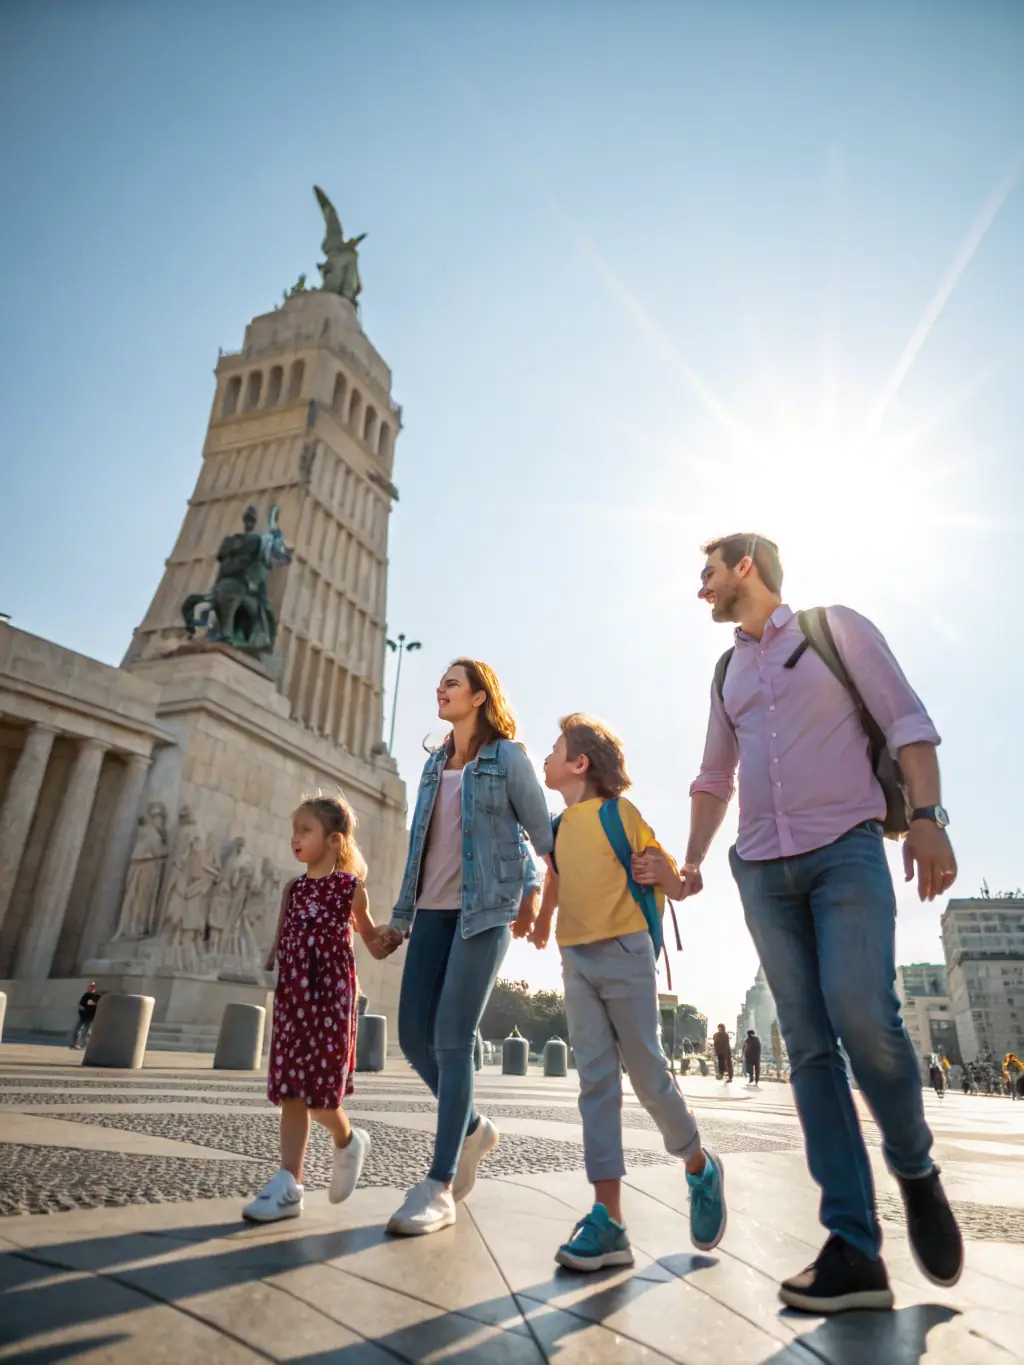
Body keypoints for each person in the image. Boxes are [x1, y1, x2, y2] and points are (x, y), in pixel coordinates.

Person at [674, 531, 963, 1313]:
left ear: (745, 566)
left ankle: (915, 1167)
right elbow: (714, 774)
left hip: (847, 852)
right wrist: (694, 860)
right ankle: (854, 1245)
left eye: (707, 572)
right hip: (763, 870)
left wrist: (930, 815)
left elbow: (907, 721)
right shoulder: (725, 669)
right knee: (806, 1047)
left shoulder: (834, 629)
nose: (699, 587)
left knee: (865, 1015)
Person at [528, 714, 726, 1271]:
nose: (547, 758)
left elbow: (678, 883)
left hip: (625, 952)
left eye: (554, 749)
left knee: (647, 1076)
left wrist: (669, 874)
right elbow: (556, 877)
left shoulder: (620, 814)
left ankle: (698, 1165)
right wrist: (544, 923)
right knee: (595, 1083)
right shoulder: (558, 827)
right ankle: (609, 1221)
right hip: (576, 959)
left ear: (579, 763)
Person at [386, 659, 553, 1236]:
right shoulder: (435, 765)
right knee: (412, 1035)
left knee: (452, 1038)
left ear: (480, 697)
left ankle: (439, 1182)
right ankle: (476, 1126)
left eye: (452, 683)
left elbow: (541, 830)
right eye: (441, 683)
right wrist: (400, 918)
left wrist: (537, 893)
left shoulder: (507, 757)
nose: (441, 689)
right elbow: (421, 847)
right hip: (430, 911)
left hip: (484, 911)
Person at [242, 795, 399, 1222]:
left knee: (321, 1096)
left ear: (333, 840)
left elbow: (369, 941)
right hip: (295, 998)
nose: (295, 838)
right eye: (294, 831)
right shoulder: (293, 889)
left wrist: (388, 937)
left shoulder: (350, 889)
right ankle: (289, 1183)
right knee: (293, 1090)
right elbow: (282, 939)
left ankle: (348, 1140)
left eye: (305, 830)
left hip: (331, 998)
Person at [71, 983, 101, 1049]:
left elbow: (95, 1005)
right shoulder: (86, 995)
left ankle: (84, 1044)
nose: (91, 988)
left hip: (90, 1016)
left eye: (92, 987)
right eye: (90, 987)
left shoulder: (98, 996)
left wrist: (91, 1004)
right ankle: (74, 1044)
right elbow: (81, 1004)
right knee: (77, 1030)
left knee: (86, 1031)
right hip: (83, 1016)